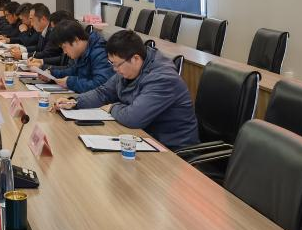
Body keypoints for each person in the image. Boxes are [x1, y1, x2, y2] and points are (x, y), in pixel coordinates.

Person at [53, 29, 199, 151]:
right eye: (112, 64)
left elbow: (133, 118)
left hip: (173, 149)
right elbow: (103, 92)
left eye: (117, 65)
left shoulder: (163, 78)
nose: (114, 70)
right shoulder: (128, 67)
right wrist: (74, 102)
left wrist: (112, 107)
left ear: (135, 58)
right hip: (145, 138)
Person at [46, 20, 113, 93]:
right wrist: (52, 74)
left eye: (64, 47)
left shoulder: (99, 52)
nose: (64, 52)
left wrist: (70, 83)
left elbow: (101, 86)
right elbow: (73, 71)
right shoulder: (83, 51)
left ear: (76, 40)